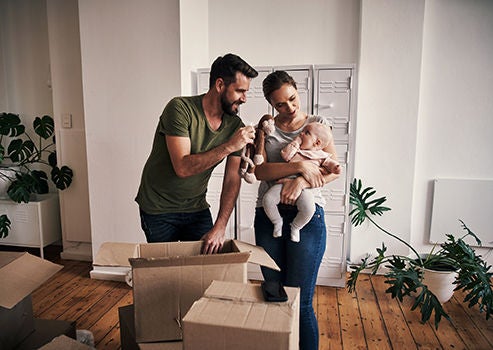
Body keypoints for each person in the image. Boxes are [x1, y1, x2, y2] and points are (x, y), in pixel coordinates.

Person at [135, 53, 258, 254]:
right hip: (158, 208)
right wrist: (229, 145)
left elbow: (232, 180)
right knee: (165, 272)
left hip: (196, 207)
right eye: (240, 91)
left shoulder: (235, 126)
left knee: (206, 268)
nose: (244, 98)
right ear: (220, 85)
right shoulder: (180, 108)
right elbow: (182, 167)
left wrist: (220, 226)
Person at [254, 70, 340, 350]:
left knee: (301, 301)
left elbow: (333, 169)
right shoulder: (266, 129)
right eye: (280, 104)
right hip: (270, 217)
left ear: (297, 91)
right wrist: (298, 166)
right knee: (275, 294)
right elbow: (260, 170)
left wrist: (302, 182)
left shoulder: (318, 125)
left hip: (308, 217)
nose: (289, 108)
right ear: (270, 104)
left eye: (292, 99)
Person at [262, 121, 341, 242]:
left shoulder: (320, 155)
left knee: (309, 208)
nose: (301, 134)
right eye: (302, 132)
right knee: (267, 200)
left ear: (317, 142)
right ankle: (277, 222)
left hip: (305, 189)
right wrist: (296, 142)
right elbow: (285, 155)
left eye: (306, 133)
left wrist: (335, 167)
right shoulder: (295, 150)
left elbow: (331, 166)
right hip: (284, 182)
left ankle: (296, 227)